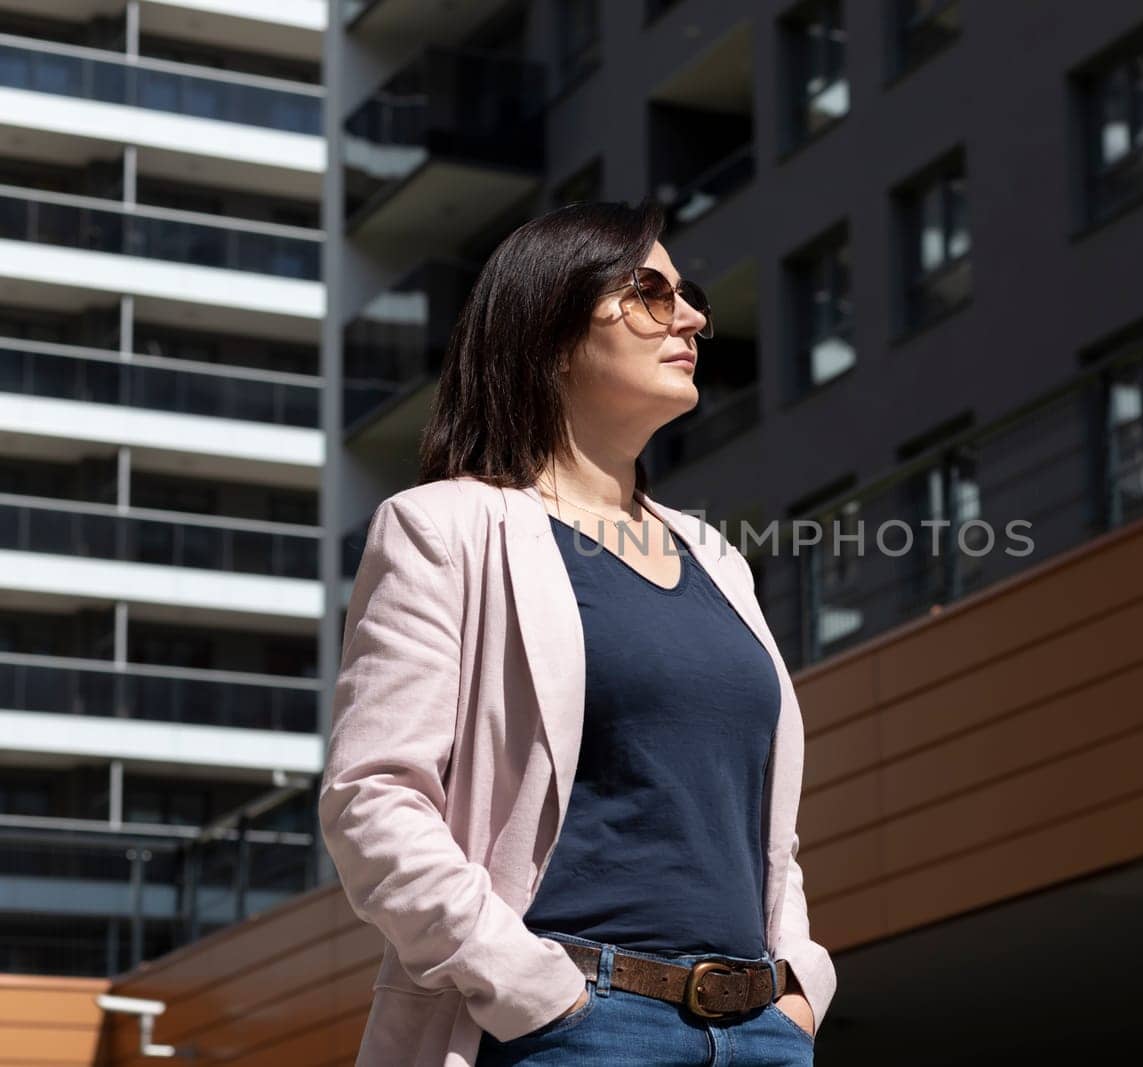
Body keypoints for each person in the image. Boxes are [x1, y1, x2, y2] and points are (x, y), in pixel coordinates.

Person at [319, 198, 836, 1066]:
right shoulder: (443, 529)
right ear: (552, 331)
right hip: (574, 1030)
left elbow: (761, 824)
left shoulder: (717, 557)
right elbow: (372, 795)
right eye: (651, 292)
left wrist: (797, 988)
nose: (695, 318)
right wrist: (534, 991)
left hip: (760, 1034)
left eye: (689, 294)